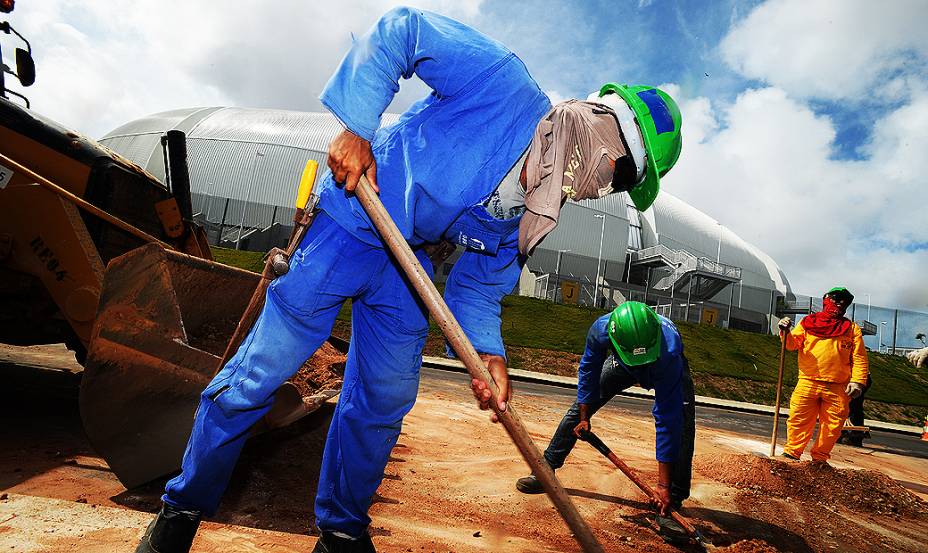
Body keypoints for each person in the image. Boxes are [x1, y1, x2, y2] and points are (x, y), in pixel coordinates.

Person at [135, 7, 683, 553]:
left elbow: (478, 286)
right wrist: (356, 129)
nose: (603, 188)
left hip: (408, 268)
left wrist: (487, 352)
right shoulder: (503, 84)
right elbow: (405, 29)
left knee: (385, 397)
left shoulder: (534, 212)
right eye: (622, 177)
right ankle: (182, 508)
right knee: (262, 372)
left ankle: (342, 528)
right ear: (610, 138)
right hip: (353, 222)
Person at [515, 302, 695, 528]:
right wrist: (584, 414)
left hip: (659, 363)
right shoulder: (602, 329)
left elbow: (668, 420)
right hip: (624, 362)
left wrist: (663, 486)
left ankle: (671, 502)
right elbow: (589, 369)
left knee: (682, 423)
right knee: (579, 407)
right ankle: (545, 468)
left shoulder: (669, 350)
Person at [778, 287, 869, 464]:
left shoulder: (851, 329)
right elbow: (791, 345)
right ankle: (792, 453)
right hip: (808, 381)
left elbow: (859, 358)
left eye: (845, 301)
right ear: (826, 299)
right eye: (836, 299)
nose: (840, 303)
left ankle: (819, 459)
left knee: (833, 426)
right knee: (799, 419)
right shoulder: (807, 323)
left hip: (838, 386)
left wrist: (858, 381)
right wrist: (785, 331)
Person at [838, 373, 872, 447]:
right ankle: (854, 437)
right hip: (857, 377)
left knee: (853, 403)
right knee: (856, 406)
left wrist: (846, 414)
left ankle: (850, 436)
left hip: (856, 378)